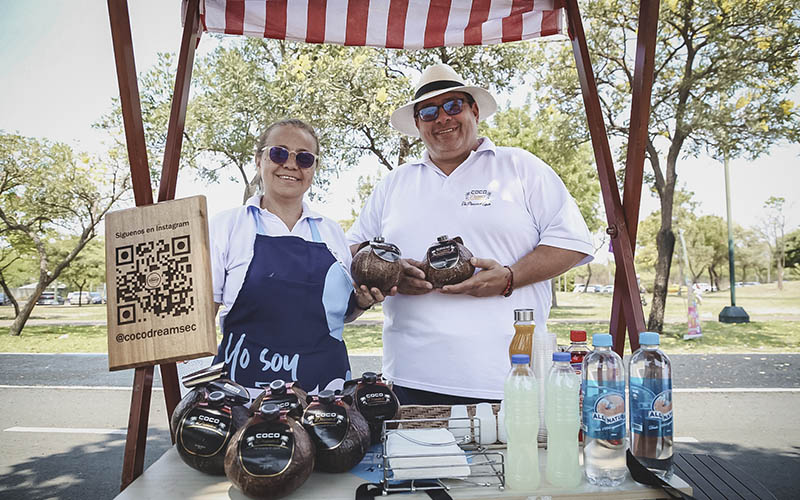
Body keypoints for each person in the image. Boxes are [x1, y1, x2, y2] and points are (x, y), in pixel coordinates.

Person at [347, 64, 594, 405]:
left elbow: (572, 244)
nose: (442, 119)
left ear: (474, 110)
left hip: (508, 381)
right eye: (429, 112)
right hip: (409, 380)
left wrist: (509, 278)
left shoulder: (520, 167)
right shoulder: (394, 183)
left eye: (453, 106)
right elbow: (352, 249)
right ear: (418, 124)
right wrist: (392, 275)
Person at [210, 119, 388, 395]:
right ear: (259, 160)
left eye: (304, 158)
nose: (291, 165)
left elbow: (339, 316)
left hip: (324, 401)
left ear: (314, 169)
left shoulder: (332, 232)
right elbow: (203, 313)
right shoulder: (227, 226)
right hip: (244, 397)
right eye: (279, 153)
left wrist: (361, 303)